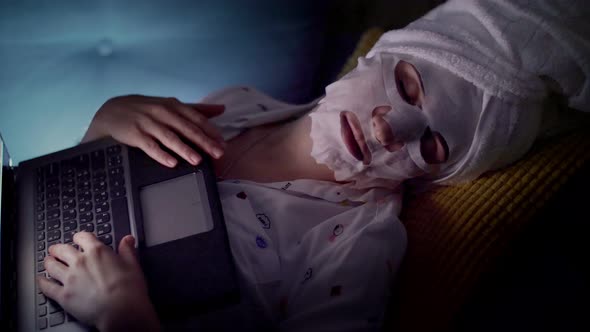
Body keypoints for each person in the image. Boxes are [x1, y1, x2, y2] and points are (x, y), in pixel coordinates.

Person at [36, 0, 589, 331]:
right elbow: (92, 190)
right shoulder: (237, 104)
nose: (387, 129)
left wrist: (126, 321)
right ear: (373, 57)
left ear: (425, 178)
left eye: (434, 146)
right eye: (405, 85)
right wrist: (105, 124)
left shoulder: (356, 245)